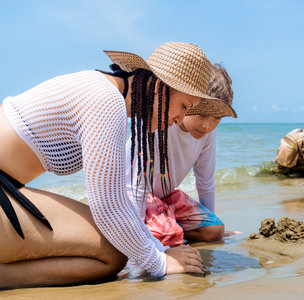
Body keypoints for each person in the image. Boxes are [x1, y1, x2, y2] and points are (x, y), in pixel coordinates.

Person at [0, 42, 227, 289]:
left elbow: (116, 200)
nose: (180, 120)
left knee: (118, 247)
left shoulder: (106, 92)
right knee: (114, 252)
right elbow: (108, 206)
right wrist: (160, 262)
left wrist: (158, 249)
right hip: (5, 191)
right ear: (161, 88)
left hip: (7, 189)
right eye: (184, 106)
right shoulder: (106, 100)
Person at [126, 64, 237, 247]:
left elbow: (205, 180)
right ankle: (166, 228)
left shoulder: (207, 135)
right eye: (202, 115)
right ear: (189, 101)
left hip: (167, 197)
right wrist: (136, 237)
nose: (207, 126)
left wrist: (209, 218)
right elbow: (136, 186)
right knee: (167, 235)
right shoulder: (160, 121)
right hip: (135, 196)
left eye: (217, 118)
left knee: (215, 230)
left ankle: (169, 224)